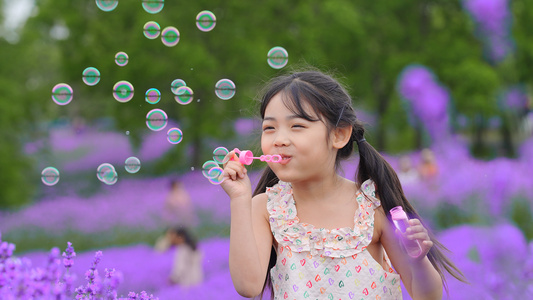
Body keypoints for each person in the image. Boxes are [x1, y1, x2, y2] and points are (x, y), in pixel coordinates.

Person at [220, 70, 466, 299]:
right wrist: (240, 200)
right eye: (269, 128)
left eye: (297, 126)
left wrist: (418, 260)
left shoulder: (371, 206)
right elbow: (248, 285)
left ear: (339, 135)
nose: (280, 140)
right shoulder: (266, 207)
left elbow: (426, 294)